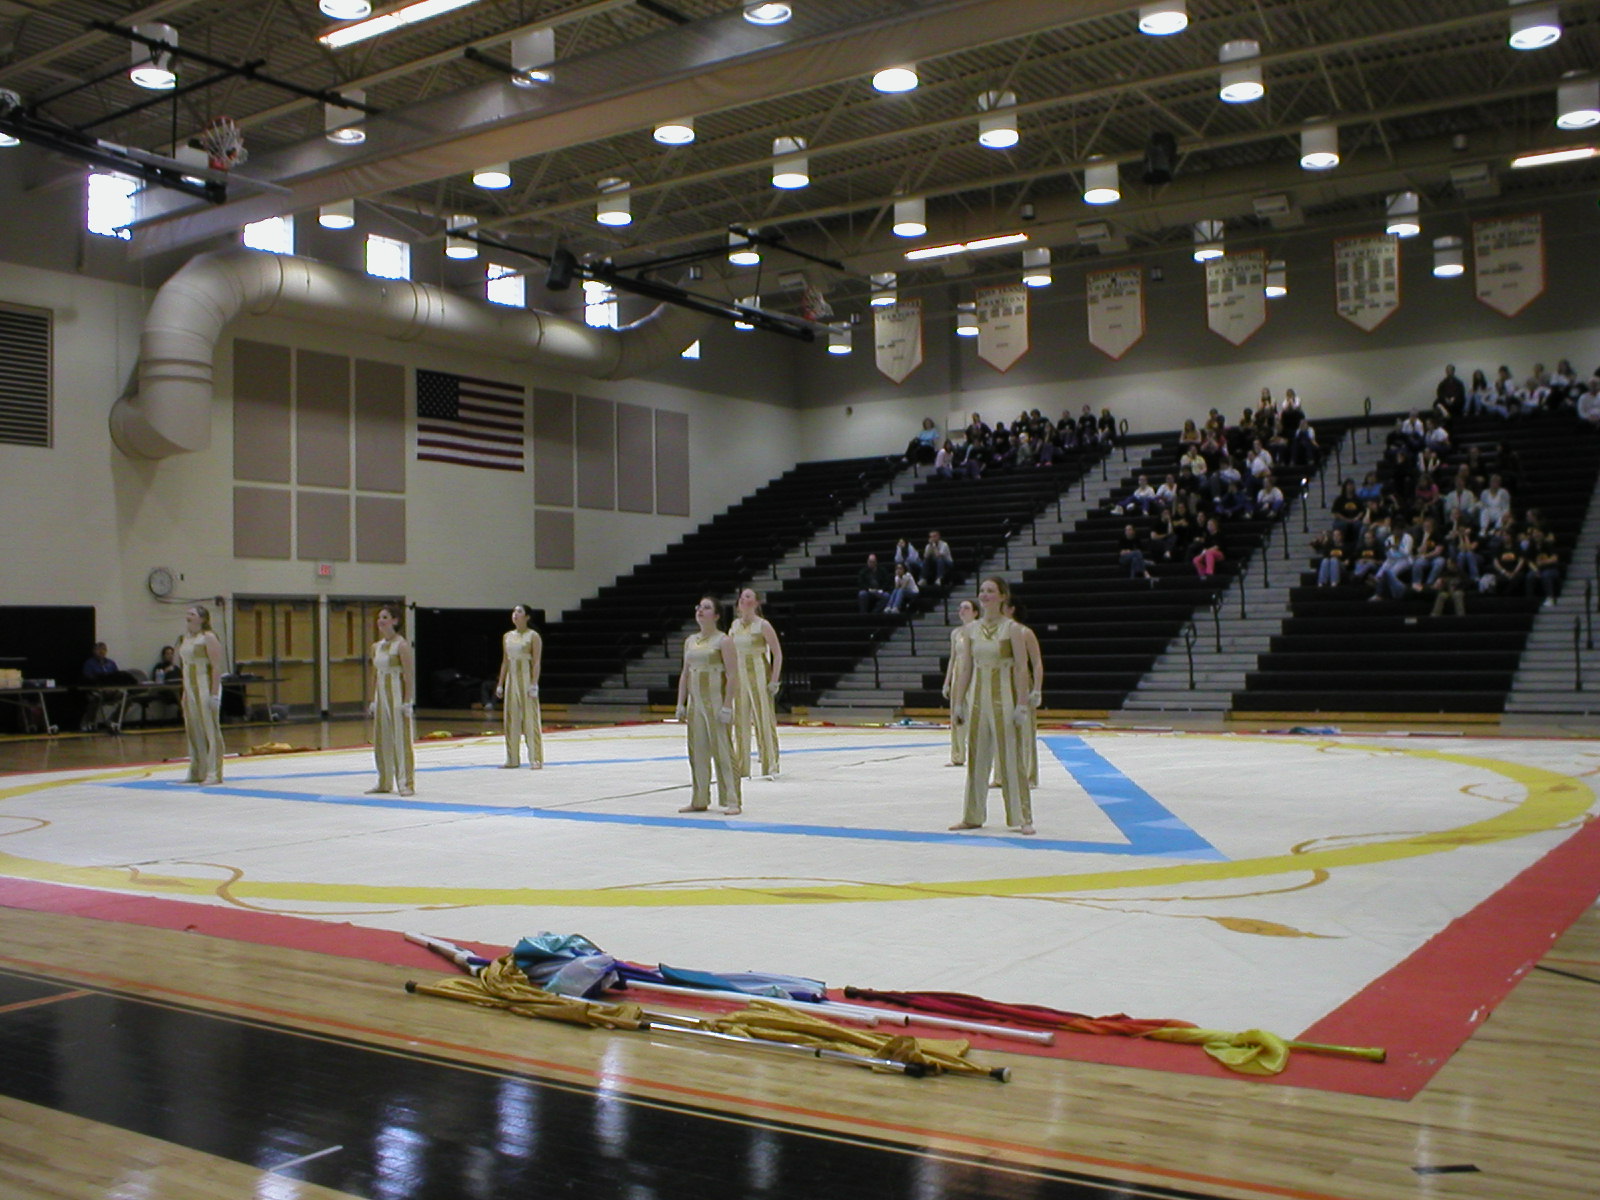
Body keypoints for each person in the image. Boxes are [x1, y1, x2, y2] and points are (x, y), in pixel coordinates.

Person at [948, 577, 1033, 835]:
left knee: (1010, 757)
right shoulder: (970, 630)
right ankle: (972, 815)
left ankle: (1022, 816)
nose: (984, 595)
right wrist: (959, 702)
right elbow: (966, 668)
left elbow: (1021, 668)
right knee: (977, 757)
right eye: (982, 591)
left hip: (1004, 700)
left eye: (990, 591)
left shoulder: (1012, 629)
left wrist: (1022, 703)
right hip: (977, 700)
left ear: (1002, 596)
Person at [676, 595, 741, 814]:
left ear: (716, 615)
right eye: (699, 607)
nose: (700, 611)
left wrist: (727, 705)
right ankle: (699, 798)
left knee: (722, 750)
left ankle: (732, 799)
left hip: (715, 703)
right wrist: (681, 703)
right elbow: (685, 674)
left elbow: (732, 675)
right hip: (696, 705)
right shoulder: (690, 641)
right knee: (697, 751)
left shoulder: (723, 641)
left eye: (706, 607)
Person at [729, 587, 782, 778]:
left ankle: (770, 765)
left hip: (760, 676)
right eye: (742, 597)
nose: (744, 600)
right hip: (740, 678)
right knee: (740, 721)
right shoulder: (734, 626)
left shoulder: (763, 625)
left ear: (756, 602)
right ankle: (741, 767)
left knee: (764, 720)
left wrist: (774, 680)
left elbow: (777, 654)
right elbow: (730, 653)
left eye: (748, 596)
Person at [367, 605, 415, 797]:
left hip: (396, 696)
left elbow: (408, 675)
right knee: (381, 739)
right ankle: (384, 781)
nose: (380, 621)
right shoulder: (376, 647)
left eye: (385, 617)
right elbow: (374, 674)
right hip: (381, 697)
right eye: (379, 617)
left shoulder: (401, 645)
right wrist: (372, 700)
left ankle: (406, 783)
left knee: (400, 739)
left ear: (395, 620)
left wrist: (407, 701)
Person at [177, 606, 226, 784]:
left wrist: (214, 694)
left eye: (192, 614)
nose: (188, 616)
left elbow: (216, 667)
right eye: (187, 613)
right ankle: (197, 770)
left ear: (203, 619)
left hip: (205, 686)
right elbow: (185, 666)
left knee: (209, 730)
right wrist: (185, 692)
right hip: (190, 687)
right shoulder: (185, 638)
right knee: (193, 729)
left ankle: (214, 773)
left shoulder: (209, 637)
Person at [494, 603, 543, 769]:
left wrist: (534, 683)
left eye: (519, 611)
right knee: (511, 718)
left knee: (530, 719)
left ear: (527, 616)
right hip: (511, 679)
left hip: (526, 679)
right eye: (514, 611)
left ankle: (535, 758)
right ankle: (512, 758)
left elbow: (536, 662)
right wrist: (500, 684)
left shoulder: (533, 636)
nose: (515, 614)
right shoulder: (507, 636)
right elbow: (505, 661)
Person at [1003, 598, 1044, 789]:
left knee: (1026, 730)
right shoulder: (999, 632)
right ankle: (1002, 774)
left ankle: (1028, 775)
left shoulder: (1025, 632)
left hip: (1021, 681)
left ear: (1011, 609)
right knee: (1003, 728)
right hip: (1002, 680)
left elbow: (1036, 662)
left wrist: (1037, 689)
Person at [941, 599, 977, 768]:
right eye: (961, 608)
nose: (962, 610)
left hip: (973, 674)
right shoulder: (956, 633)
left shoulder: (979, 630)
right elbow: (952, 658)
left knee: (974, 714)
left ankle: (978, 754)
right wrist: (947, 682)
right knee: (956, 715)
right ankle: (957, 755)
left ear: (975, 612)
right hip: (958, 674)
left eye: (966, 608)